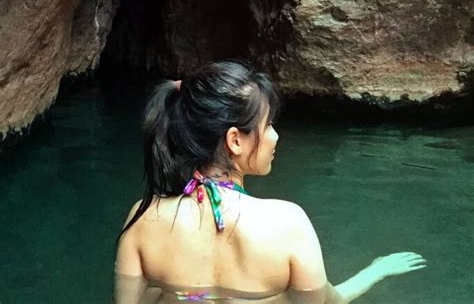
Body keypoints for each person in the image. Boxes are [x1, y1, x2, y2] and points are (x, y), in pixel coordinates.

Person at [114, 61, 426, 303]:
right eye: (268, 124)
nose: (275, 136)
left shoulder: (142, 221)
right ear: (235, 140)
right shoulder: (288, 224)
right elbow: (329, 302)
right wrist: (375, 271)